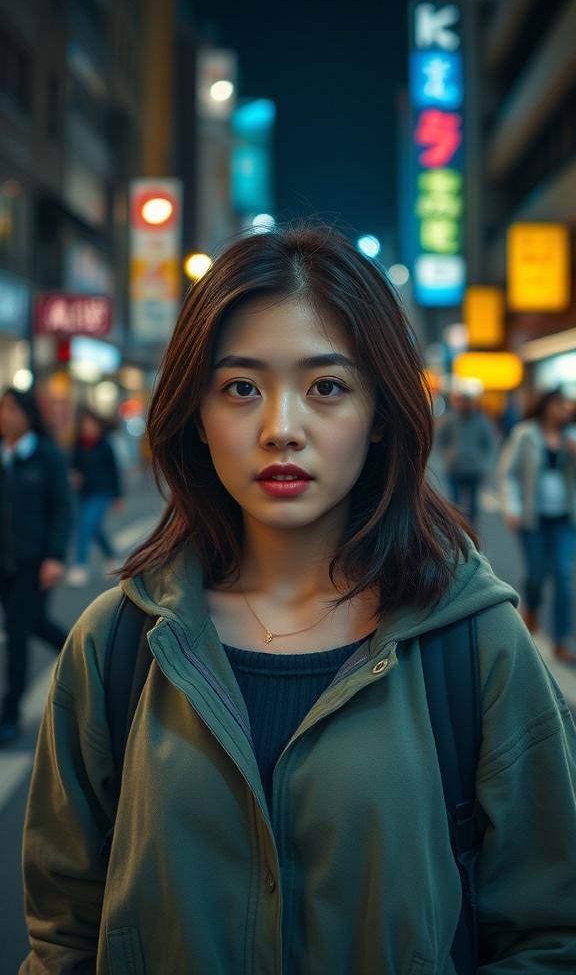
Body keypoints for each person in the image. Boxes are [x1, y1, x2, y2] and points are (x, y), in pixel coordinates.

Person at [20, 226, 576, 973]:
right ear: (197, 413)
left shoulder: (477, 645)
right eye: (241, 388)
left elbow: (551, 934)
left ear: (380, 414)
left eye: (327, 387)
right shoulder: (117, 643)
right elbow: (62, 934)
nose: (281, 429)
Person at [0, 386, 72, 746]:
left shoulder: (47, 457)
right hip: (3, 564)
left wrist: (55, 557)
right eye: (2, 409)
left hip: (33, 563)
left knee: (16, 633)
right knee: (34, 624)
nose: (5, 416)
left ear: (28, 414)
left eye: (12, 408)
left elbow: (62, 508)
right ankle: (80, 651)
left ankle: (9, 715)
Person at [499, 386, 576, 663]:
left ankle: (561, 641)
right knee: (536, 573)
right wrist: (513, 508)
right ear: (546, 405)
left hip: (565, 518)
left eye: (567, 404)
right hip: (533, 517)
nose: (565, 408)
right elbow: (508, 473)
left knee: (564, 576)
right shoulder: (526, 434)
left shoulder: (571, 436)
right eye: (560, 403)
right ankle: (531, 608)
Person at [66, 407, 123, 587]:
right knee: (94, 528)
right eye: (85, 425)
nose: (88, 428)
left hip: (103, 492)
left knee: (86, 525)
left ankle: (80, 566)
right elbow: (73, 467)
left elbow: (114, 472)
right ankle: (111, 556)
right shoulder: (78, 445)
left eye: (92, 424)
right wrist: (74, 476)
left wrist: (117, 496)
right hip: (84, 493)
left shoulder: (106, 446)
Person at [435, 387, 498, 528]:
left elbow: (489, 445)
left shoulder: (481, 422)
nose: (464, 405)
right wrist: (448, 455)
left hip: (474, 469)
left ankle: (472, 530)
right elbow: (441, 438)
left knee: (473, 505)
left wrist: (485, 465)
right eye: (462, 402)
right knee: (455, 503)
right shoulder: (451, 420)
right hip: (455, 467)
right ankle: (457, 530)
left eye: (467, 402)